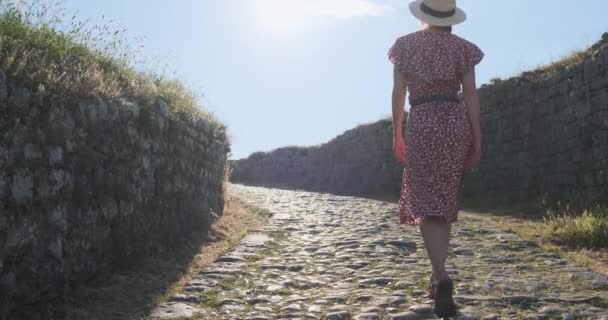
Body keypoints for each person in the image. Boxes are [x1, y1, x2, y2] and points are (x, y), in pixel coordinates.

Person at [388, 0, 483, 318]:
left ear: (423, 15)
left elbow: (399, 93)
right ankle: (436, 276)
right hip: (454, 122)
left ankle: (441, 275)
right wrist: (477, 139)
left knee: (427, 201)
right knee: (443, 202)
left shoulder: (404, 46)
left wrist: (397, 133)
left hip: (423, 121)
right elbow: (470, 95)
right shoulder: (464, 49)